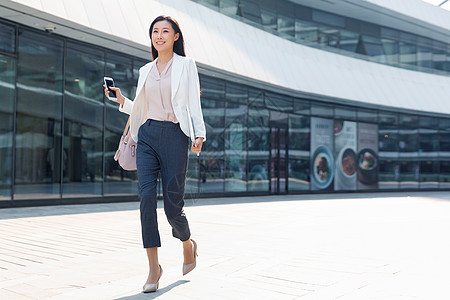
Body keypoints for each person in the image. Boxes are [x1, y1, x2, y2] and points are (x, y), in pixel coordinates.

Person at [104, 15, 206, 293]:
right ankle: (153, 268)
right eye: (155, 31)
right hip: (147, 135)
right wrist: (122, 100)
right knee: (146, 198)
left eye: (165, 31)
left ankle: (187, 243)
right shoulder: (145, 70)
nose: (159, 35)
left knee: (173, 206)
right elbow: (141, 108)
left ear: (175, 36)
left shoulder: (186, 66)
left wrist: (199, 133)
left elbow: (193, 104)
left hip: (175, 136)